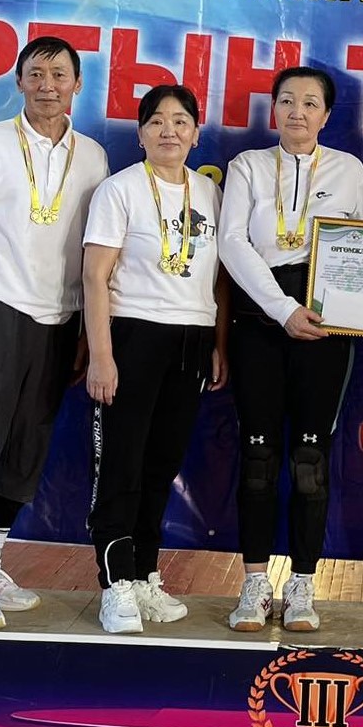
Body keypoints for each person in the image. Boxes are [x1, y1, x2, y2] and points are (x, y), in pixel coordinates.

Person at [0, 36, 108, 630]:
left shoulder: (94, 157)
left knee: (27, 449)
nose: (47, 85)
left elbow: (94, 254)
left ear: (77, 84)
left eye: (59, 75)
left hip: (60, 320)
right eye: (36, 74)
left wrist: (86, 330)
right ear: (19, 82)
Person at [218, 66, 363, 632]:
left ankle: (303, 585)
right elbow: (231, 243)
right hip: (259, 321)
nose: (297, 112)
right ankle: (255, 583)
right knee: (258, 457)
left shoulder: (349, 171)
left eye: (310, 103)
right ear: (274, 109)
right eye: (287, 101)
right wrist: (282, 309)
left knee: (310, 459)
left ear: (326, 115)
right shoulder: (248, 166)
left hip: (325, 327)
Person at [82, 84, 225, 634]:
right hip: (133, 335)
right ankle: (115, 583)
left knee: (161, 465)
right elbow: (94, 277)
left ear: (196, 133)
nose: (170, 130)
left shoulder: (209, 193)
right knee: (122, 464)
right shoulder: (118, 190)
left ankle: (144, 575)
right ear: (140, 133)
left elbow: (219, 278)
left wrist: (217, 342)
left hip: (192, 340)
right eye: (157, 121)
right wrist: (102, 356)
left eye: (181, 120)